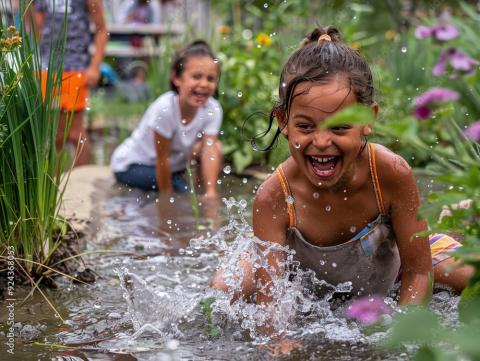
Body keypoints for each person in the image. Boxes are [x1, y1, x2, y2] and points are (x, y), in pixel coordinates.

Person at [211, 26, 474, 309]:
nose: (322, 142)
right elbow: (271, 303)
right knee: (224, 290)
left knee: (472, 277)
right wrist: (281, 345)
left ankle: (451, 226)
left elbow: (419, 272)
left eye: (339, 127)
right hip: (300, 284)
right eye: (306, 126)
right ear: (283, 121)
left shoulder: (389, 173)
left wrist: (401, 337)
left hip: (391, 272)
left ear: (367, 119)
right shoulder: (274, 196)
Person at [110, 40, 223, 198]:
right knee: (181, 190)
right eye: (196, 76)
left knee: (216, 147)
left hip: (172, 165)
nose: (204, 84)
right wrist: (167, 198)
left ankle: (202, 191)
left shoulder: (213, 109)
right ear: (177, 78)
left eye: (210, 79)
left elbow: (210, 149)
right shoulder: (165, 109)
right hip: (132, 165)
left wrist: (211, 193)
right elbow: (162, 159)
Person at [33, 0, 108, 166]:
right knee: (54, 136)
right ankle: (52, 185)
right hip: (46, 68)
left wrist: (95, 67)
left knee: (75, 134)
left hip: (76, 67)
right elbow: (35, 29)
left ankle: (82, 181)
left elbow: (101, 29)